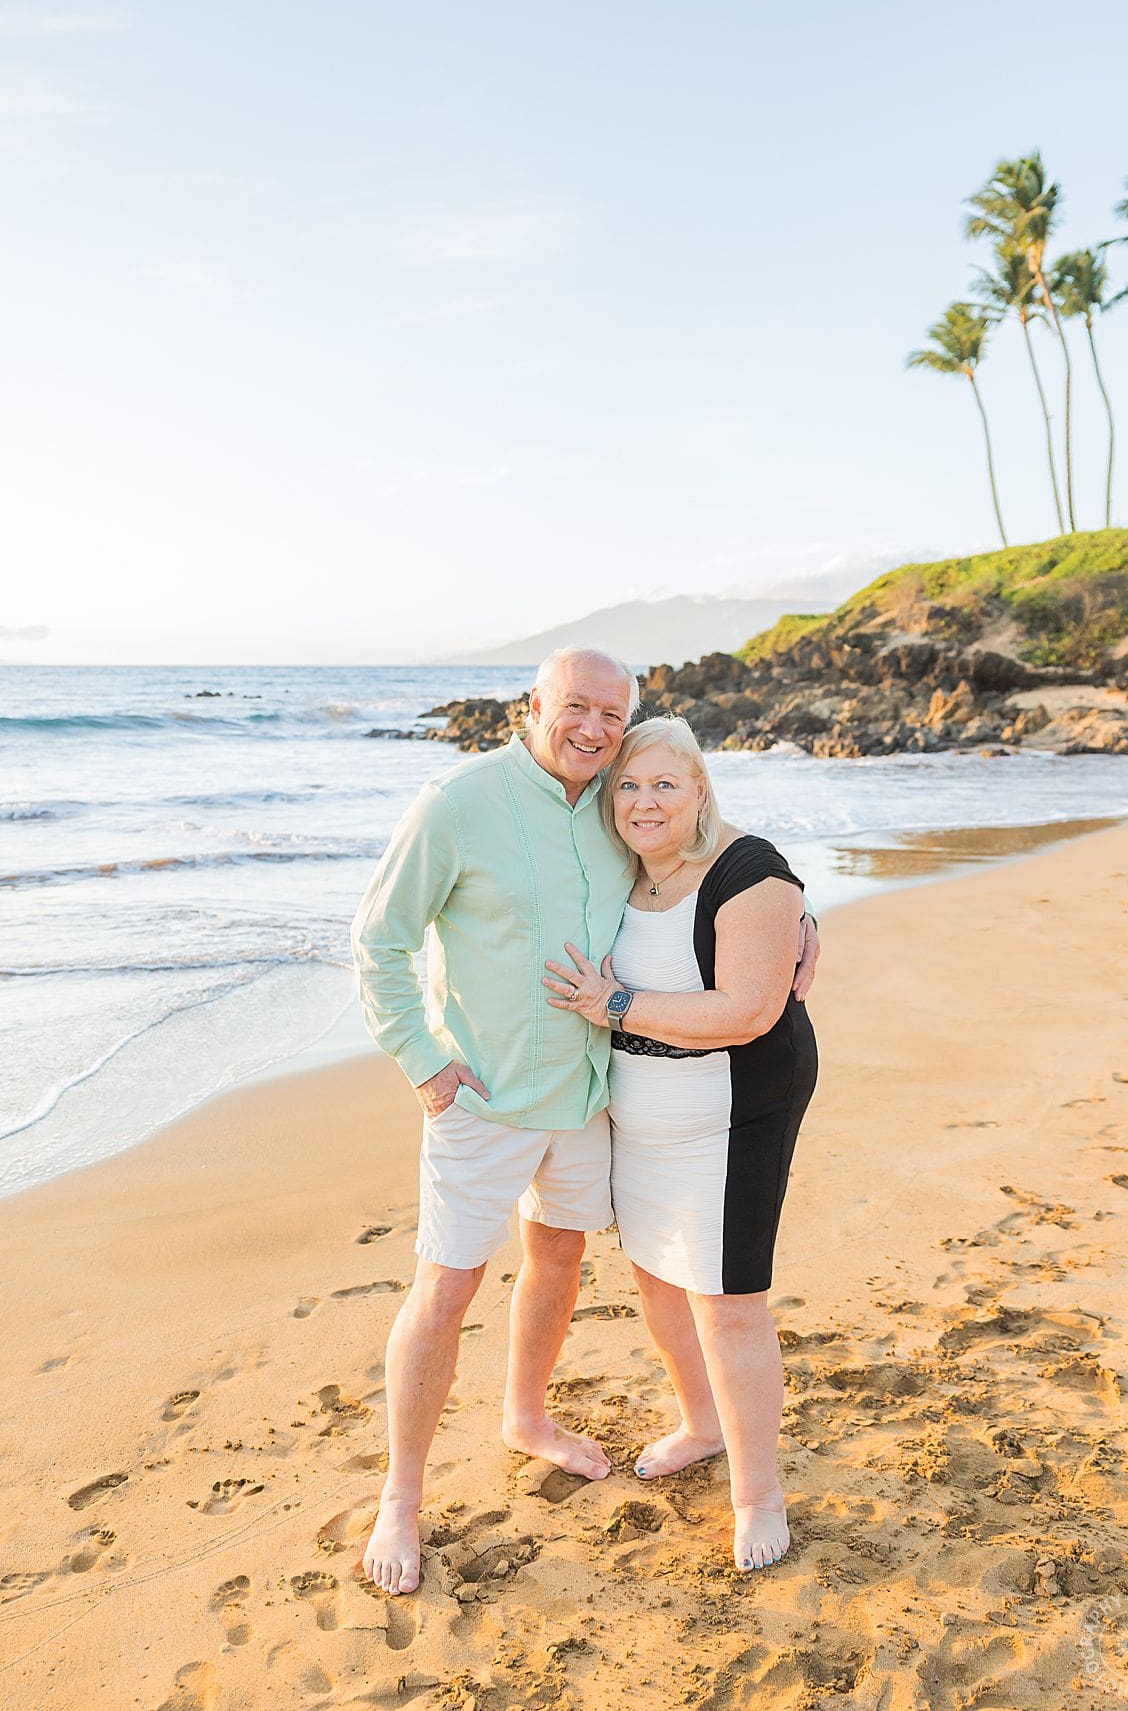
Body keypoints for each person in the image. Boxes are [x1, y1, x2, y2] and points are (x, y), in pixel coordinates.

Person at [350, 650, 820, 1596]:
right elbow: (380, 939)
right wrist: (423, 1062)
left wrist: (800, 917)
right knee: (445, 1290)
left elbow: (706, 838)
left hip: (592, 1096)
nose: (596, 728)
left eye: (612, 712)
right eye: (577, 707)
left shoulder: (615, 797)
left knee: (561, 1259)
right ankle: (400, 1497)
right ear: (535, 706)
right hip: (481, 1097)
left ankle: (525, 1415)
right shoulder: (458, 802)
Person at [542, 714, 818, 1573]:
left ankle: (758, 1493)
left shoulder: (747, 869)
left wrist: (612, 1005)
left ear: (700, 788)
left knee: (728, 1301)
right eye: (628, 784)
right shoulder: (617, 868)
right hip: (644, 1109)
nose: (645, 800)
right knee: (659, 1278)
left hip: (733, 1110)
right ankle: (703, 1424)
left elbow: (746, 1009)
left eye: (665, 782)